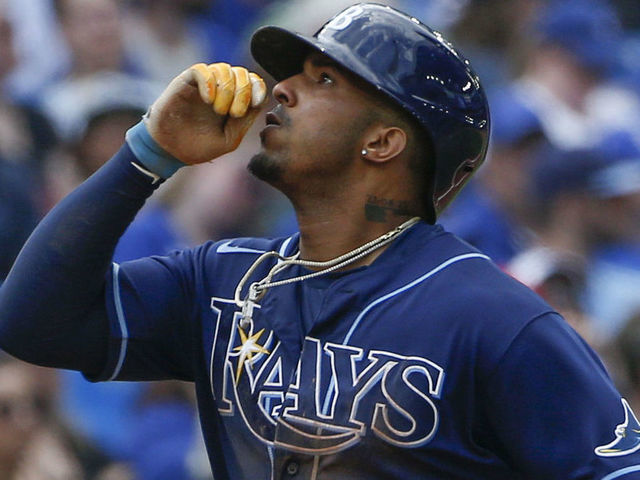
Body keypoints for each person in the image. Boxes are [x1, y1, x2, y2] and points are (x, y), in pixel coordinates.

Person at [1, 4, 639, 479]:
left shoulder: (496, 318)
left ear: (383, 142)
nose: (280, 89)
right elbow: (28, 321)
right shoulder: (220, 277)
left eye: (323, 80)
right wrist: (146, 153)